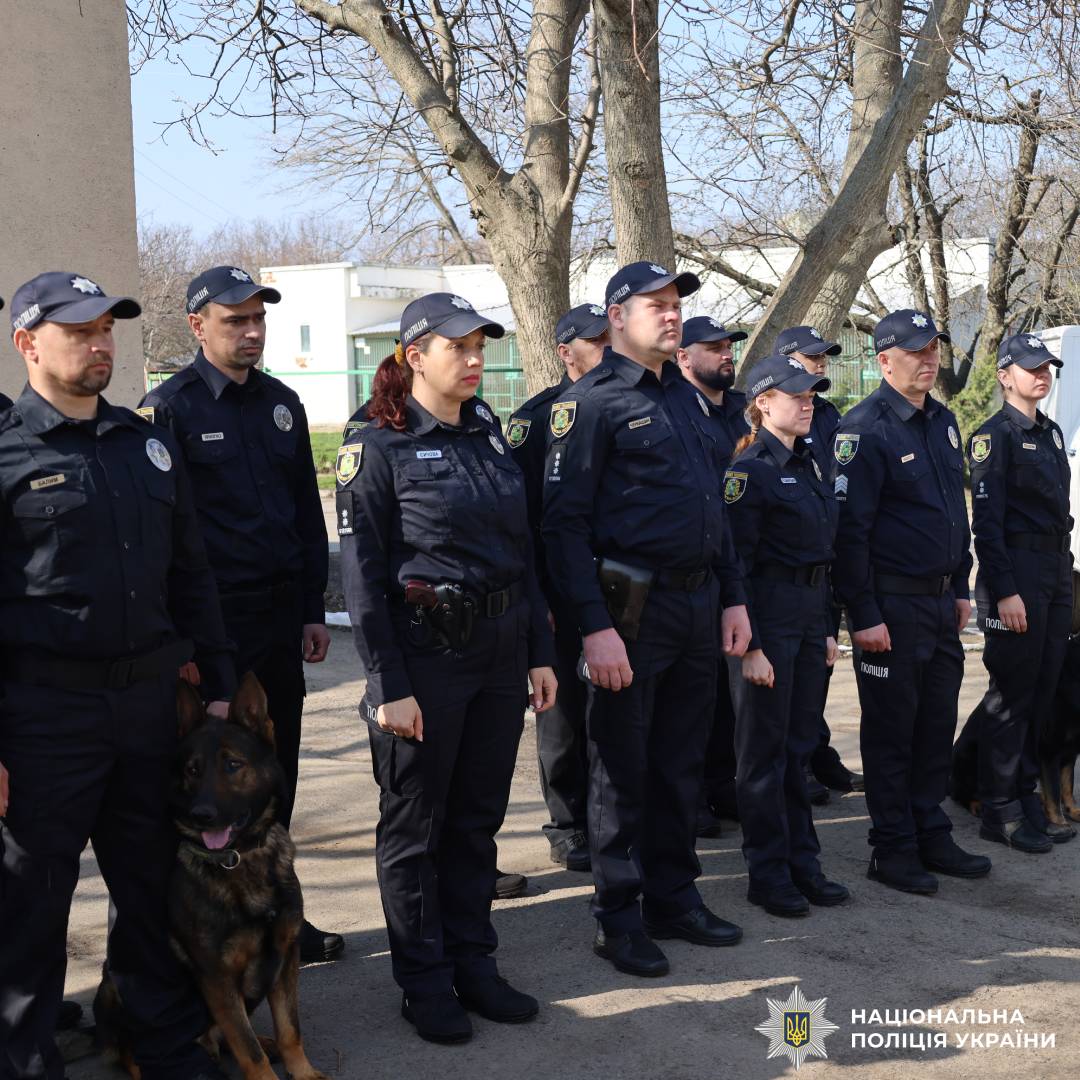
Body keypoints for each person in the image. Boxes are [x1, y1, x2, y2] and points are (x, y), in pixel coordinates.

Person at [0, 271, 237, 1080]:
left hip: (147, 707)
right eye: (80, 331)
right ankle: (25, 1056)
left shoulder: (147, 445)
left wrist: (219, 684)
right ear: (28, 344)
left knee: (152, 884)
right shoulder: (7, 451)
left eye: (107, 329)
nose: (100, 344)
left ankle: (160, 1042)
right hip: (44, 715)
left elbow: (192, 571)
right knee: (32, 901)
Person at [338, 292, 557, 1044]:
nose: (473, 359)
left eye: (478, 347)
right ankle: (424, 982)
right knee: (416, 829)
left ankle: (474, 964)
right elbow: (363, 580)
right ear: (414, 356)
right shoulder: (377, 447)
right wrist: (387, 687)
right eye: (457, 347)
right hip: (426, 663)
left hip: (498, 654)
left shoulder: (487, 434)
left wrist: (538, 653)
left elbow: (523, 552)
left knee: (475, 822)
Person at [542, 261, 751, 979]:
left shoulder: (687, 400)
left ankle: (674, 896)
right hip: (628, 612)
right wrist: (593, 627)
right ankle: (619, 916)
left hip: (696, 604)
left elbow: (715, 509)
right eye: (655, 305)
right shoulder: (591, 403)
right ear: (616, 316)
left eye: (675, 305)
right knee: (621, 769)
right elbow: (563, 528)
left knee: (680, 764)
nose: (670, 315)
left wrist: (733, 597)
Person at [139, 266, 341, 965]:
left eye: (258, 319)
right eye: (236, 321)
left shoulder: (282, 403)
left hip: (279, 618)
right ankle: (208, 925)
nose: (252, 332)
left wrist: (313, 608)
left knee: (273, 770)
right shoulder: (169, 409)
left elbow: (305, 514)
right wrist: (184, 644)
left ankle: (278, 913)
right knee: (205, 784)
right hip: (212, 628)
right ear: (198, 326)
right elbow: (163, 540)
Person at [833, 308, 990, 895]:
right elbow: (849, 534)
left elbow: (953, 515)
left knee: (935, 724)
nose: (929, 359)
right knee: (892, 732)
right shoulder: (864, 429)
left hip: (939, 604)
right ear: (884, 361)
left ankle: (931, 831)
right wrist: (863, 614)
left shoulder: (942, 421)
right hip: (891, 607)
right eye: (916, 351)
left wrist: (959, 587)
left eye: (933, 349)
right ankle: (893, 847)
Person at [723, 354, 849, 917]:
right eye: (796, 395)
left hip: (805, 618)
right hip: (767, 622)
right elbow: (737, 566)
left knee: (798, 749)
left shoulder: (809, 463)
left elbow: (821, 557)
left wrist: (825, 629)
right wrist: (751, 647)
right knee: (763, 755)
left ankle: (804, 862)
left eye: (812, 396)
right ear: (763, 402)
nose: (807, 404)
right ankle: (768, 872)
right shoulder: (749, 472)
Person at [950, 333, 1073, 852]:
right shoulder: (993, 436)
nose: (1042, 375)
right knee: (1012, 695)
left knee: (1044, 692)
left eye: (1047, 368)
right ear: (1004, 376)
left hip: (1054, 569)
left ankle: (1025, 798)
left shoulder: (1051, 432)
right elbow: (988, 524)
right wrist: (1004, 591)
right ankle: (998, 808)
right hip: (1016, 572)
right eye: (1031, 368)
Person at [506, 302, 609, 871]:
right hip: (559, 588)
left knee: (614, 713)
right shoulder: (539, 418)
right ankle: (567, 824)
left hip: (619, 586)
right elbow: (521, 519)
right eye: (598, 343)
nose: (610, 352)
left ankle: (609, 818)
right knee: (564, 714)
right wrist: (537, 598)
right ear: (566, 353)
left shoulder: (632, 406)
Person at [775, 325, 865, 801]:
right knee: (789, 678)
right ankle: (797, 764)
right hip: (788, 563)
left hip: (827, 551)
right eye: (812, 356)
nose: (822, 361)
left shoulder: (827, 413)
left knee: (818, 670)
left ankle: (815, 752)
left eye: (824, 355)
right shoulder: (772, 415)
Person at [674, 315, 749, 834]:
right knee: (693, 696)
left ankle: (723, 784)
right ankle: (692, 795)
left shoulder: (744, 411)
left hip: (742, 565)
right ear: (683, 357)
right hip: (698, 567)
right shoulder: (678, 411)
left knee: (728, 692)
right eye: (713, 347)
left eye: (729, 346)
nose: (726, 353)